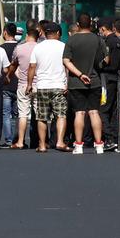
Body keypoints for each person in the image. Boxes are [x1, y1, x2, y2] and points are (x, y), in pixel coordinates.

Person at [63, 13, 106, 154]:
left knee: (79, 113)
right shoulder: (98, 40)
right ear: (91, 24)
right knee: (94, 112)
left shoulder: (71, 40)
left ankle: (79, 145)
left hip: (76, 82)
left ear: (78, 24)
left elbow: (66, 61)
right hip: (94, 80)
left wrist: (80, 74)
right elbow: (104, 60)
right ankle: (99, 144)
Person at [30, 20, 68, 152]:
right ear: (58, 33)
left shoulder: (38, 47)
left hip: (42, 85)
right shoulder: (64, 46)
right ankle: (60, 142)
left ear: (45, 33)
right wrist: (66, 83)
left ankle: (41, 145)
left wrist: (29, 84)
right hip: (59, 85)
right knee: (61, 115)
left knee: (42, 117)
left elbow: (32, 67)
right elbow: (67, 66)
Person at [98, 18, 120, 150]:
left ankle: (109, 138)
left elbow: (105, 60)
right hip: (117, 77)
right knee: (114, 110)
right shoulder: (118, 42)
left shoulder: (107, 42)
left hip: (107, 78)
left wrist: (100, 66)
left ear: (103, 29)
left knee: (103, 109)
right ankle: (115, 138)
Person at [9, 23, 38, 149]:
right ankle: (40, 141)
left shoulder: (19, 48)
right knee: (39, 115)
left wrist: (13, 75)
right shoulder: (40, 48)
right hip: (38, 85)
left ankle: (20, 141)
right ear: (38, 36)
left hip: (23, 85)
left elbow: (13, 64)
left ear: (27, 36)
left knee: (23, 114)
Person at [0, 24, 21, 147]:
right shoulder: (20, 47)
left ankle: (8, 140)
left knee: (6, 114)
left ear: (5, 33)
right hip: (19, 85)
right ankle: (18, 139)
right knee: (18, 115)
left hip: (5, 85)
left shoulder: (0, 48)